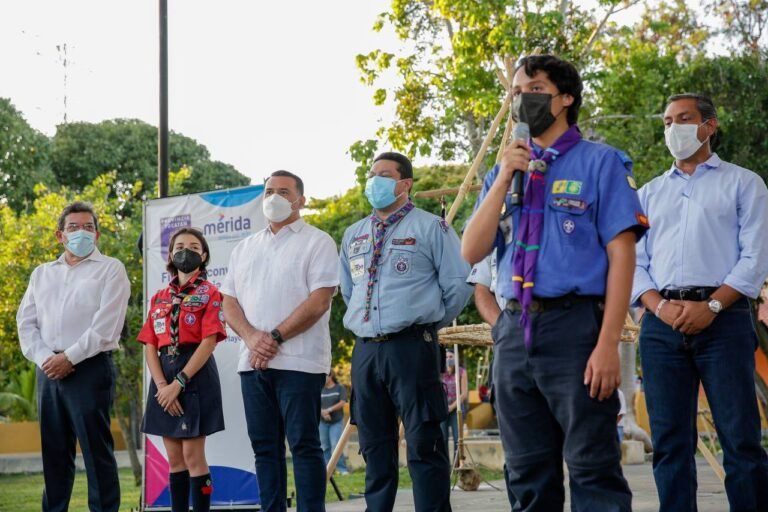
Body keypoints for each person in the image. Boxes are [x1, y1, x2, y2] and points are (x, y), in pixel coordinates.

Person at [462, 54, 647, 511]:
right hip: (514, 330)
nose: (525, 98)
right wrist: (506, 173)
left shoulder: (601, 163)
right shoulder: (505, 171)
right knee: (526, 469)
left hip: (577, 328)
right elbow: (471, 250)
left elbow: (622, 257)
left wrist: (608, 344)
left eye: (536, 88)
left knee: (591, 465)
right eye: (518, 92)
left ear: (566, 98)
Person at [632, 93, 768, 511]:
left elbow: (754, 258)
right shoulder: (649, 194)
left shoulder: (744, 183)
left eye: (684, 118)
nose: (674, 128)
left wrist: (710, 307)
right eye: (668, 121)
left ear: (709, 125)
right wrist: (658, 307)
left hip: (723, 322)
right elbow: (634, 262)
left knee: (740, 438)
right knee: (671, 443)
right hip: (661, 325)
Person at [339, 151, 472, 512]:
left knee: (424, 443)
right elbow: (349, 292)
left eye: (383, 175)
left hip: (412, 346)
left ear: (405, 184)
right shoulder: (354, 234)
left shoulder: (432, 227)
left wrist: (428, 324)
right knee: (374, 445)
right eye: (371, 174)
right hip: (366, 352)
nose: (374, 181)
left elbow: (459, 285)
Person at [221, 170, 339, 512]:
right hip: (252, 362)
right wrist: (253, 337)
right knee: (264, 448)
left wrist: (274, 337)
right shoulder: (245, 247)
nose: (274, 197)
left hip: (300, 362)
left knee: (303, 444)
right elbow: (229, 301)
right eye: (269, 191)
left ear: (300, 200)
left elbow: (320, 300)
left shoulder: (317, 241)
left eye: (283, 191)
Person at [17, 201, 130, 512]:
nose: (82, 232)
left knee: (97, 452)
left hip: (90, 368)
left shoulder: (111, 269)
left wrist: (69, 357)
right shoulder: (42, 274)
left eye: (88, 227)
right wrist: (45, 359)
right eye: (74, 227)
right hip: (48, 371)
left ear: (98, 233)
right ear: (60, 235)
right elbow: (25, 323)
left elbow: (106, 327)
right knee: (54, 453)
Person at [137, 227, 227, 512]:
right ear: (170, 254)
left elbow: (209, 341)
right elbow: (150, 344)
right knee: (174, 459)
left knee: (192, 455)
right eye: (178, 246)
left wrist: (180, 382)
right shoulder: (159, 297)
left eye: (192, 246)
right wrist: (163, 385)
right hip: (163, 375)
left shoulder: (210, 292)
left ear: (204, 254)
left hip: (194, 374)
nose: (184, 250)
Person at [319, 370, 349, 475]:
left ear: (330, 376)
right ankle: (328, 471)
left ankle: (342, 469)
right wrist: (322, 412)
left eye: (324, 376)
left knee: (336, 445)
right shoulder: (320, 389)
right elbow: (315, 402)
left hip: (336, 421)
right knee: (324, 446)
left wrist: (329, 410)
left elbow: (342, 402)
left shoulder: (340, 388)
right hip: (322, 422)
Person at [440, 348, 468, 459]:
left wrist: (452, 406)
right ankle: (445, 467)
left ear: (455, 358)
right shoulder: (440, 372)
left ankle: (457, 466)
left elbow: (464, 393)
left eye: (451, 357)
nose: (448, 359)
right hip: (442, 407)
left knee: (458, 438)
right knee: (443, 438)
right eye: (446, 357)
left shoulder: (461, 372)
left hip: (457, 408)